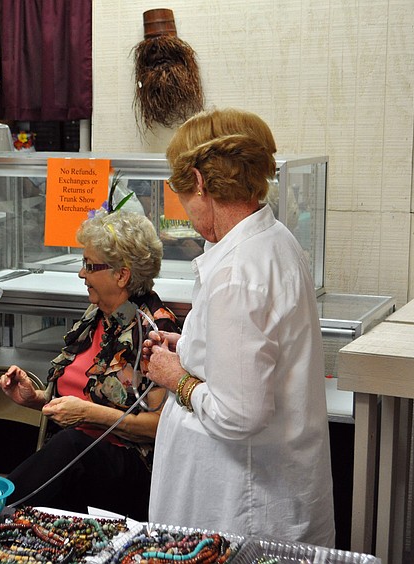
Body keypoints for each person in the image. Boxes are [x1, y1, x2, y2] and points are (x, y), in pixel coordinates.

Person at [143, 108, 335, 545]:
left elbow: (239, 413)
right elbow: (250, 353)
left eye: (183, 195)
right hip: (267, 490)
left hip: (240, 507)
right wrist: (190, 345)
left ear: (200, 181)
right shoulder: (274, 241)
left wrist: (176, 376)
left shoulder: (237, 273)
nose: (187, 211)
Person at [0, 210, 179, 520]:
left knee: (71, 446)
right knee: (65, 448)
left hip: (131, 471)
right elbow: (80, 401)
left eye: (89, 266)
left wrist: (90, 414)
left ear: (122, 275)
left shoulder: (155, 331)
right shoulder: (95, 317)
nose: (82, 274)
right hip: (77, 465)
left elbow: (163, 427)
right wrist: (35, 400)